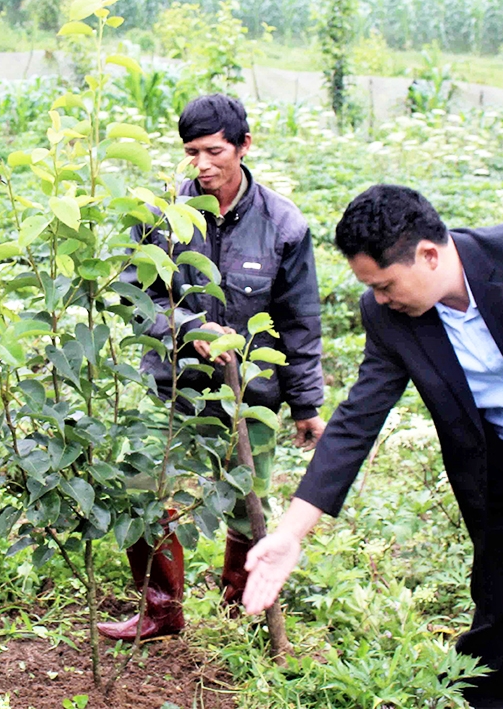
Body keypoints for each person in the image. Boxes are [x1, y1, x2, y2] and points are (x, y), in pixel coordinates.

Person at [242, 184, 503, 709]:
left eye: (386, 285)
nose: (380, 299)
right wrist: (292, 532)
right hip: (501, 474)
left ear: (429, 254)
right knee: (497, 614)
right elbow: (356, 420)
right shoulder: (389, 316)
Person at [98, 93, 326, 641]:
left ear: (245, 147)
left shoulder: (283, 225)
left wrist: (307, 403)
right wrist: (185, 329)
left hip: (252, 394)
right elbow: (134, 296)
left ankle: (239, 607)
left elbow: (300, 320)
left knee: (248, 504)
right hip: (175, 388)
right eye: (191, 152)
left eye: (214, 151)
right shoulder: (160, 217)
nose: (202, 165)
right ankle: (161, 611)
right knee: (145, 489)